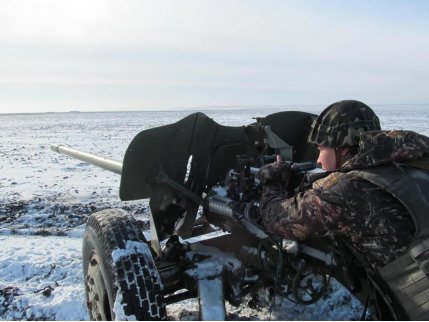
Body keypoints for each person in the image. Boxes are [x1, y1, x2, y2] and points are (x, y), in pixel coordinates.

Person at [256, 100, 429, 319]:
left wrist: (272, 180)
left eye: (321, 149)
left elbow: (276, 220)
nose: (318, 159)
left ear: (343, 147)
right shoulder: (414, 163)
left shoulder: (349, 190)